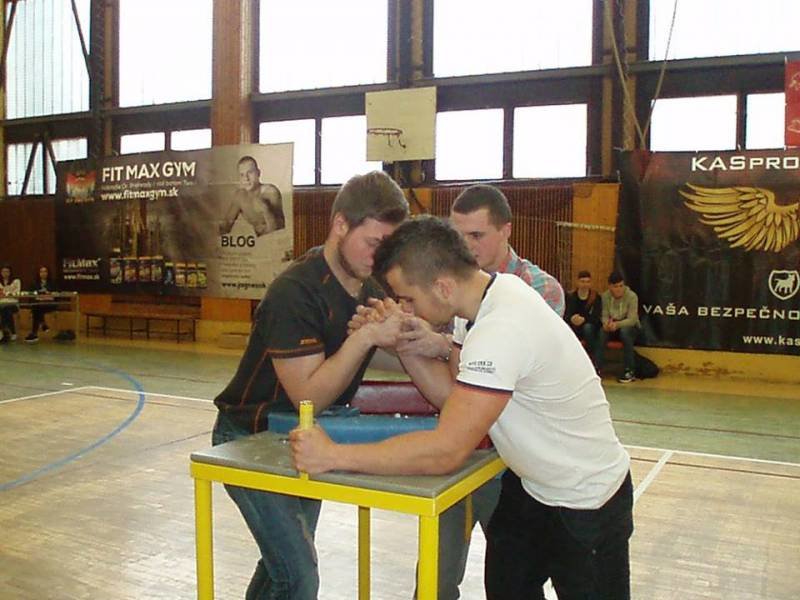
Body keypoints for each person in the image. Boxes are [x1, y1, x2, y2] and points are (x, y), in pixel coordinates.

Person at [291, 216, 634, 599]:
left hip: (587, 501)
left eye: (408, 299)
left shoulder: (501, 328)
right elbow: (452, 396)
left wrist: (333, 455)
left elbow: (446, 450)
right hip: (531, 489)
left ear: (442, 286)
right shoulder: (479, 305)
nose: (406, 308)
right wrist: (404, 343)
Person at [211, 170, 408, 600]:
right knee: (299, 575)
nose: (380, 257)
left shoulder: (370, 286)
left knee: (283, 568)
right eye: (373, 243)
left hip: (302, 436)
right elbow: (308, 396)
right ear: (340, 225)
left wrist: (404, 339)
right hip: (249, 436)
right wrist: (366, 338)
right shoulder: (294, 292)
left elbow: (370, 353)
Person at [371, 184, 564, 600]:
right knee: (435, 582)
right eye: (458, 236)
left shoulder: (537, 290)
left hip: (517, 466)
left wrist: (437, 343)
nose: (466, 246)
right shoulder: (455, 295)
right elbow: (452, 387)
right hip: (466, 446)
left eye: (477, 235)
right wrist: (403, 337)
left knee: (516, 582)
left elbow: (501, 370)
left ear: (506, 230)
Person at [219, 155, 286, 237]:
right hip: (258, 241)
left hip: (274, 240)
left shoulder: (271, 192)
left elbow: (279, 229)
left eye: (250, 173)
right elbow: (226, 225)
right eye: (242, 175)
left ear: (258, 173)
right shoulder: (240, 197)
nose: (246, 178)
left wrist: (265, 210)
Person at [595, 271, 641, 383]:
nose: (619, 289)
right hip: (612, 325)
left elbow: (632, 319)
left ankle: (629, 370)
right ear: (610, 286)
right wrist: (606, 324)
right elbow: (604, 314)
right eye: (616, 286)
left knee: (625, 333)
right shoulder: (605, 296)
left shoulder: (632, 296)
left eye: (621, 286)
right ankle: (597, 368)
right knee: (602, 332)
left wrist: (617, 325)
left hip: (629, 326)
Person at [564, 269, 601, 357]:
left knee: (588, 328)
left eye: (587, 282)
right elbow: (566, 314)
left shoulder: (596, 297)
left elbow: (596, 317)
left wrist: (584, 320)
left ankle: (591, 356)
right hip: (574, 326)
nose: (585, 284)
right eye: (582, 281)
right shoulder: (570, 297)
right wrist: (571, 319)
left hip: (590, 328)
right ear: (577, 282)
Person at [25, 265, 56, 343]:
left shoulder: (53, 283)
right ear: (38, 273)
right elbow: (31, 295)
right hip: (38, 304)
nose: (43, 273)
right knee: (37, 308)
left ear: (48, 273)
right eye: (41, 271)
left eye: (45, 271)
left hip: (49, 304)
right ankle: (42, 324)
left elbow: (57, 293)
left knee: (36, 309)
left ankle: (34, 333)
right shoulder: (34, 283)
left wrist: (49, 293)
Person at [0, 265, 21, 343]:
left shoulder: (16, 281)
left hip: (13, 303)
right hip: (1, 303)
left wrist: (7, 294)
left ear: (10, 272)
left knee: (6, 310)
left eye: (7, 271)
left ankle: (4, 332)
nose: (5, 273)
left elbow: (17, 293)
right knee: (5, 310)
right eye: (3, 271)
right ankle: (11, 332)